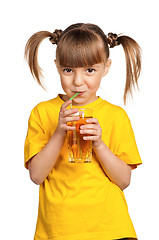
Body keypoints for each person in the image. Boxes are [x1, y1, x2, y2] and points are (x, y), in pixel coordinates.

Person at [24, 23, 142, 240]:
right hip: (58, 231)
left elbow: (124, 181)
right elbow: (37, 175)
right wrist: (59, 132)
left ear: (106, 68)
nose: (78, 82)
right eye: (68, 70)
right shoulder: (42, 112)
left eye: (90, 70)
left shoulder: (116, 116)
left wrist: (99, 144)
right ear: (57, 66)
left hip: (111, 230)